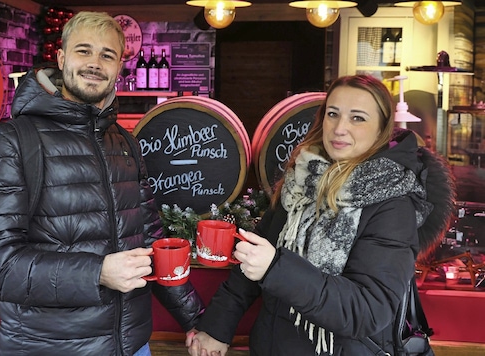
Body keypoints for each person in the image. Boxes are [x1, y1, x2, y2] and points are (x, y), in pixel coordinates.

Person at [0, 11, 203, 355]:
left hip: (132, 346)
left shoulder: (124, 142)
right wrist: (97, 273)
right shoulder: (11, 142)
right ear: (61, 58)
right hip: (49, 348)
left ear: (119, 67)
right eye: (84, 51)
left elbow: (153, 242)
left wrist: (195, 320)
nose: (95, 63)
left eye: (107, 55)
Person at [186, 75, 454, 356]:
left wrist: (277, 268)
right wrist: (216, 328)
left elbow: (368, 311)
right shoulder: (301, 182)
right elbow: (251, 265)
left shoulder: (391, 204)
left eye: (358, 118)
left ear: (381, 131)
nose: (340, 128)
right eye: (333, 114)